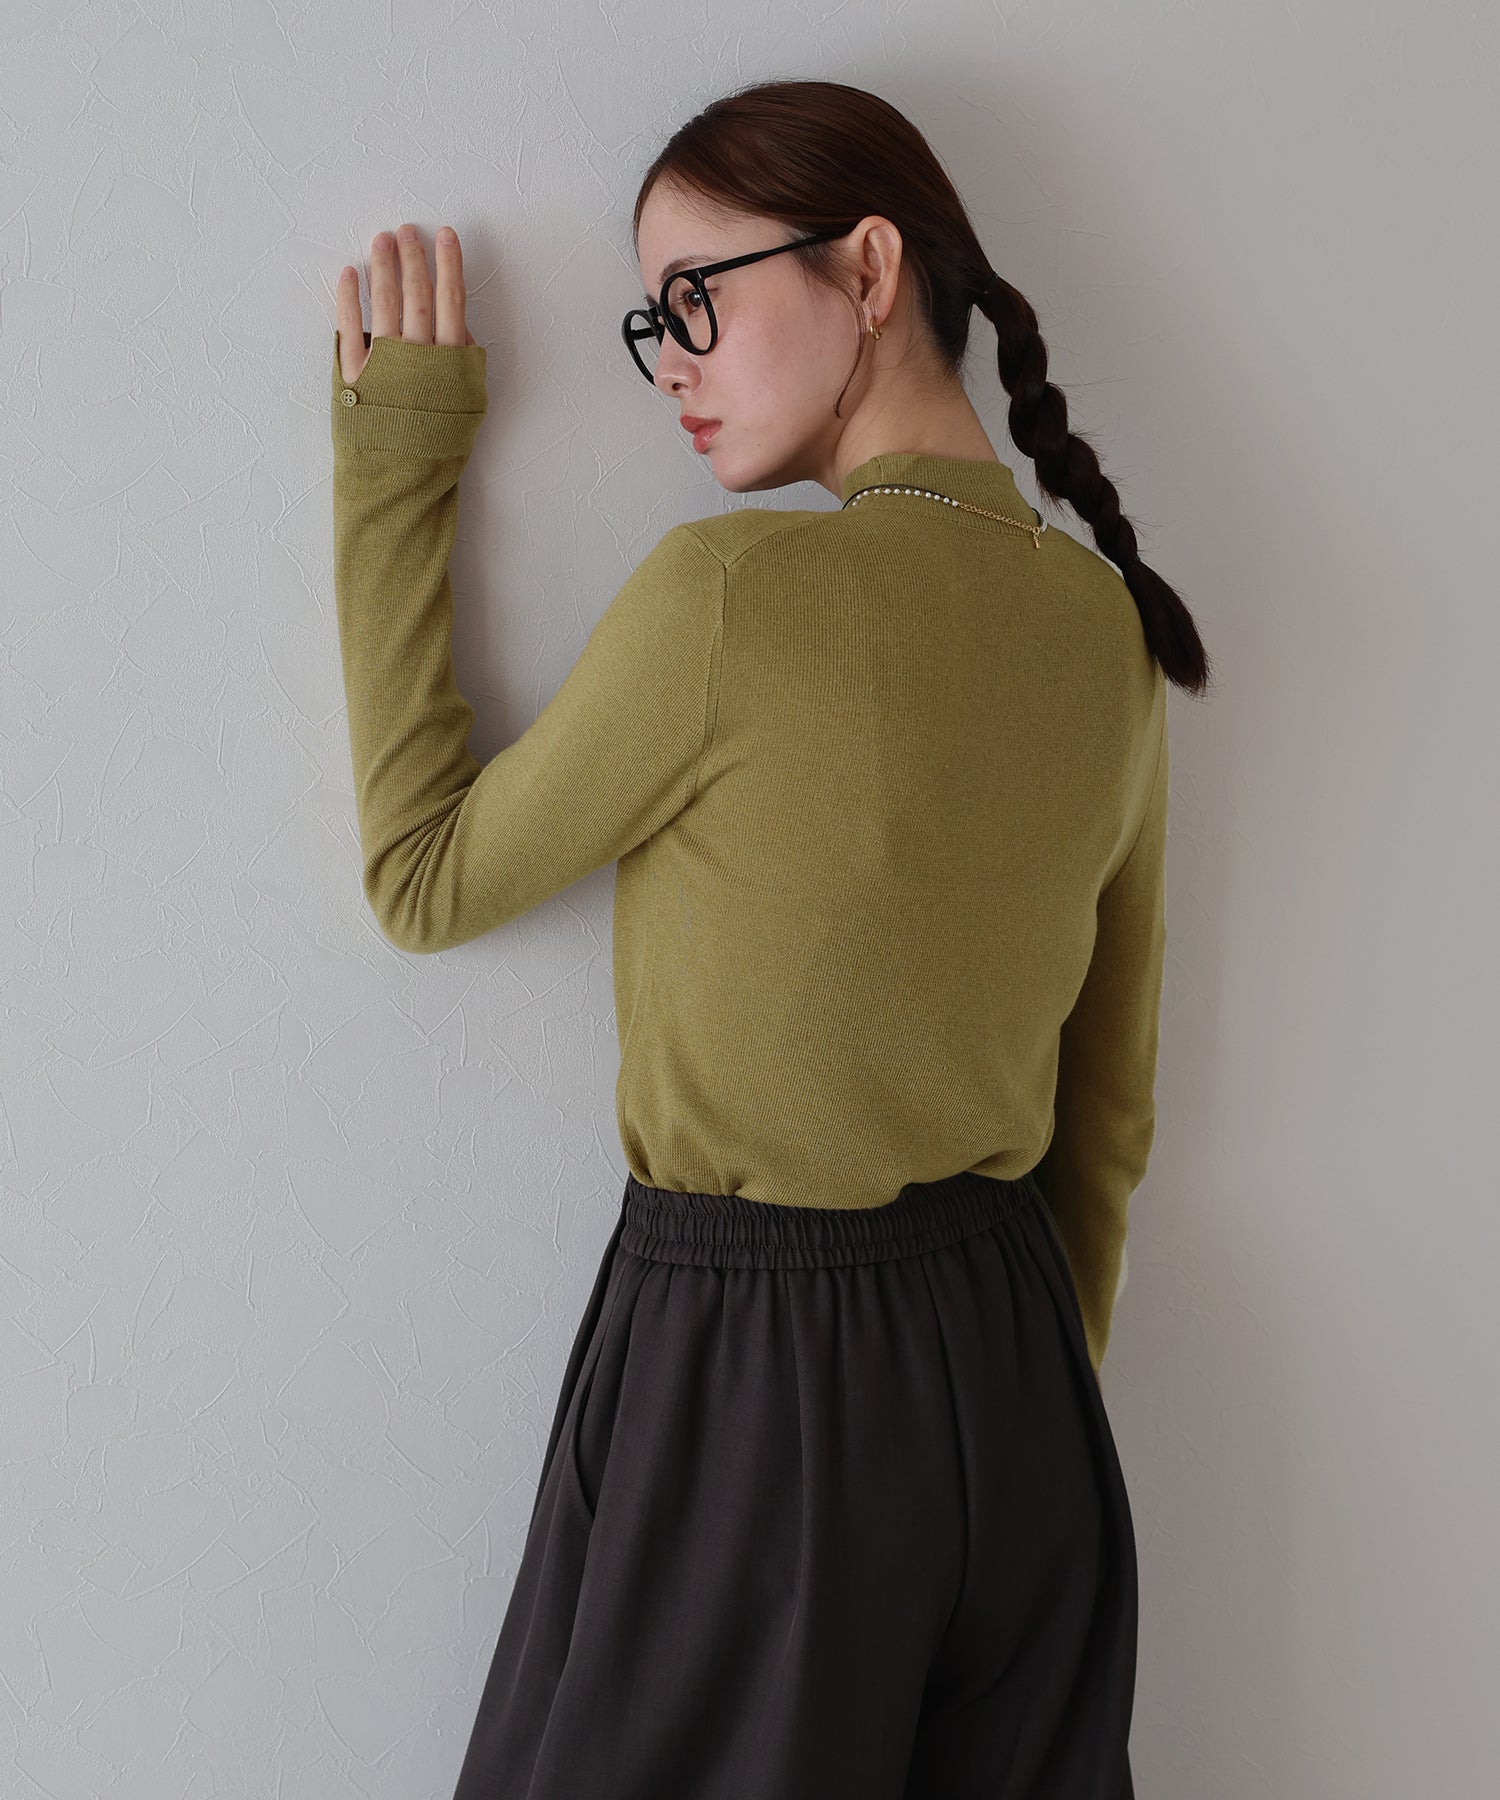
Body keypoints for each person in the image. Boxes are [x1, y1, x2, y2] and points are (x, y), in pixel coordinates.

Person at [328, 75, 1211, 1800]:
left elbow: (422, 877)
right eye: (650, 322)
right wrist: (1005, 1391)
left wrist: (397, 457)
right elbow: (1107, 1116)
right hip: (1024, 1375)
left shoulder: (730, 597)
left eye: (697, 299)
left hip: (761, 1381)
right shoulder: (1103, 632)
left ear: (869, 269)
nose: (670, 361)